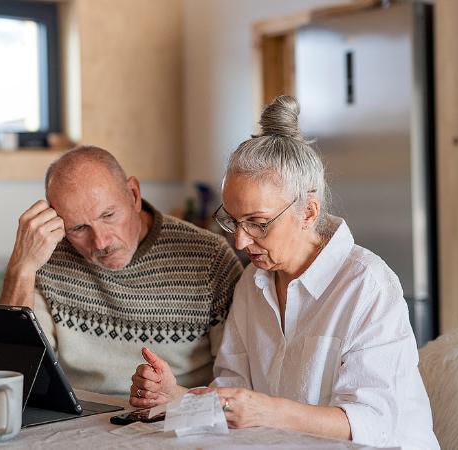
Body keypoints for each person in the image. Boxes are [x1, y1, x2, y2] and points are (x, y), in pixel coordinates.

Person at [128, 96, 439, 449]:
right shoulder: (252, 283)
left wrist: (267, 412)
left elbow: (374, 420)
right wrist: (176, 397)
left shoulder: (367, 285)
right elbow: (236, 397)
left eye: (258, 224)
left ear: (308, 212)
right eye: (232, 220)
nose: (241, 242)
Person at [0, 145, 243, 397]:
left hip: (177, 417)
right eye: (79, 228)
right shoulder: (47, 256)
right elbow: (10, 372)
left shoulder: (209, 257)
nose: (101, 242)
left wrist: (178, 397)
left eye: (108, 215)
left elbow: (237, 383)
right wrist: (21, 268)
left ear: (134, 195)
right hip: (78, 419)